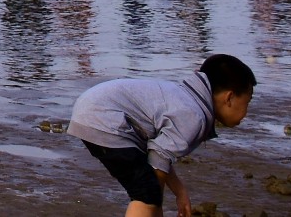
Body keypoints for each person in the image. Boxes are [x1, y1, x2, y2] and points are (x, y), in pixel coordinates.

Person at [68, 53, 255, 217]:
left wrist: (179, 191)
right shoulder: (193, 116)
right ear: (229, 97)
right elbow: (158, 162)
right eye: (247, 102)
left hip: (96, 111)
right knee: (147, 193)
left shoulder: (187, 100)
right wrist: (154, 198)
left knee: (149, 191)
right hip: (104, 118)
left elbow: (159, 154)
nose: (246, 112)